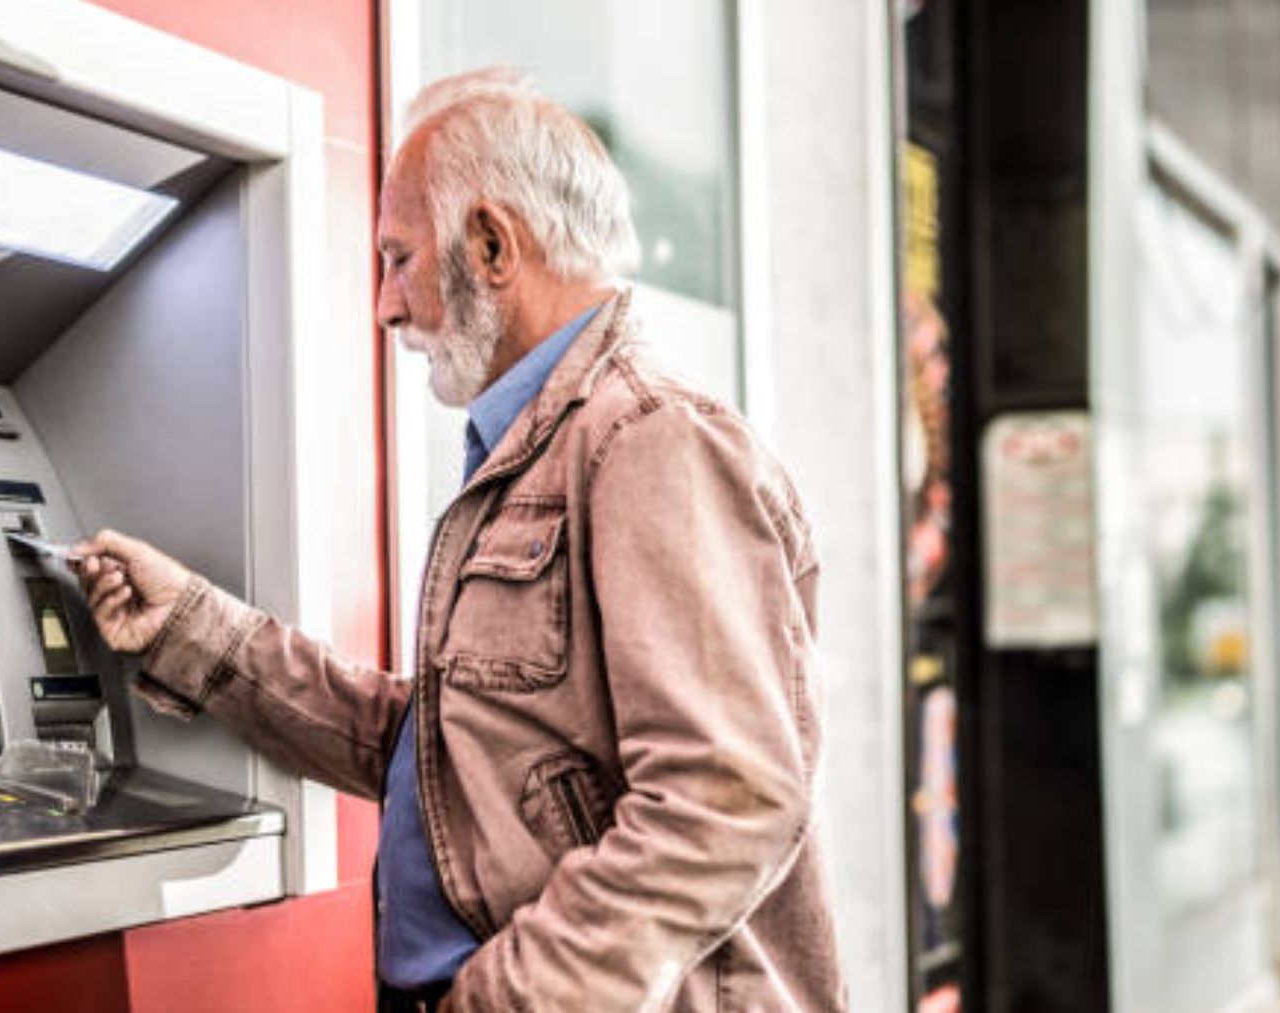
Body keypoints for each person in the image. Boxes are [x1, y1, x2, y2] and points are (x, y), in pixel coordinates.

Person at [72, 68, 844, 1013]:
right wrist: (191, 628)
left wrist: (501, 999)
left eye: (398, 259)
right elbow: (442, 751)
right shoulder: (535, 452)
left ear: (489, 244)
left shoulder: (647, 443)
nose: (386, 306)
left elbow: (726, 799)